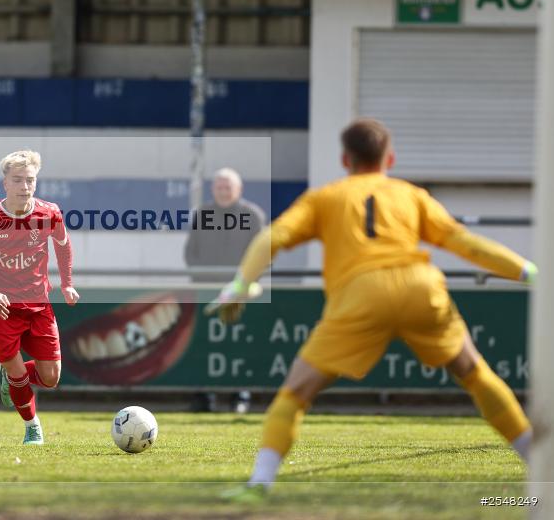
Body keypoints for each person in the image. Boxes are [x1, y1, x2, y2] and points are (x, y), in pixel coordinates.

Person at [207, 117, 535, 495]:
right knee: (475, 374)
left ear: (345, 160)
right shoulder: (411, 195)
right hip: (419, 287)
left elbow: (272, 236)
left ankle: (259, 483)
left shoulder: (325, 197)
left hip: (360, 295)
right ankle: (540, 465)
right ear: (389, 159)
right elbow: (466, 243)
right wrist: (530, 272)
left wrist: (241, 284)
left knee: (296, 393)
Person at [0, 150, 80, 445]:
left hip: (38, 304)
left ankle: (12, 378)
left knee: (51, 377)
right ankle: (32, 426)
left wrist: (66, 283)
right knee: (18, 373)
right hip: (1, 309)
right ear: (5, 183)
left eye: (30, 180)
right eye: (17, 180)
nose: (25, 186)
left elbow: (64, 245)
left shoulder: (49, 212)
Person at [185, 167, 265, 413]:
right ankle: (204, 395)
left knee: (239, 344)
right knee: (202, 343)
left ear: (238, 189)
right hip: (206, 291)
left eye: (228, 186)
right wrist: (204, 280)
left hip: (241, 292)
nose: (223, 190)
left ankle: (240, 395)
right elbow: (191, 253)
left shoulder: (253, 215)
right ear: (213, 189)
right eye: (219, 186)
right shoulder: (202, 214)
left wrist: (242, 284)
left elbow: (264, 254)